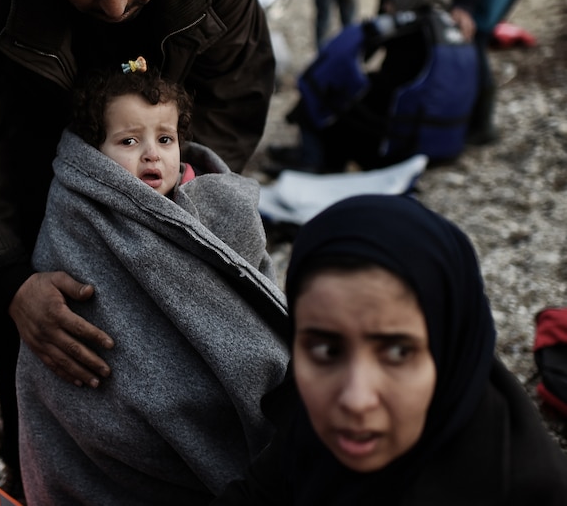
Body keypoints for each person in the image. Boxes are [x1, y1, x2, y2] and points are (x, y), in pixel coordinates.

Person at [0, 0, 277, 485]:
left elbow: (236, 87)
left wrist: (183, 195)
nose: (115, 6)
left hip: (167, 161)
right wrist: (9, 281)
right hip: (27, 177)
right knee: (49, 369)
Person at [17, 63, 290, 505]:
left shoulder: (214, 204)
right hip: (120, 412)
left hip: (216, 399)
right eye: (128, 141)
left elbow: (252, 295)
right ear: (95, 153)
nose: (151, 155)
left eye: (165, 139)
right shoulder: (78, 215)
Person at [212, 193, 567, 505]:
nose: (355, 399)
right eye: (327, 350)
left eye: (397, 353)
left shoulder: (525, 489)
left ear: (450, 351)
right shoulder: (307, 427)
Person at [265, 0, 478, 174]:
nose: (387, 6)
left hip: (400, 148)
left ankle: (314, 160)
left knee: (326, 95)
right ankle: (308, 152)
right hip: (443, 141)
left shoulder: (412, 32)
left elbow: (387, 86)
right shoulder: (452, 30)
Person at [331, 0, 531, 146]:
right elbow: (389, 3)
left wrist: (464, 6)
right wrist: (366, 46)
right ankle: (463, 119)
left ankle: (480, 126)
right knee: (464, 35)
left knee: (472, 37)